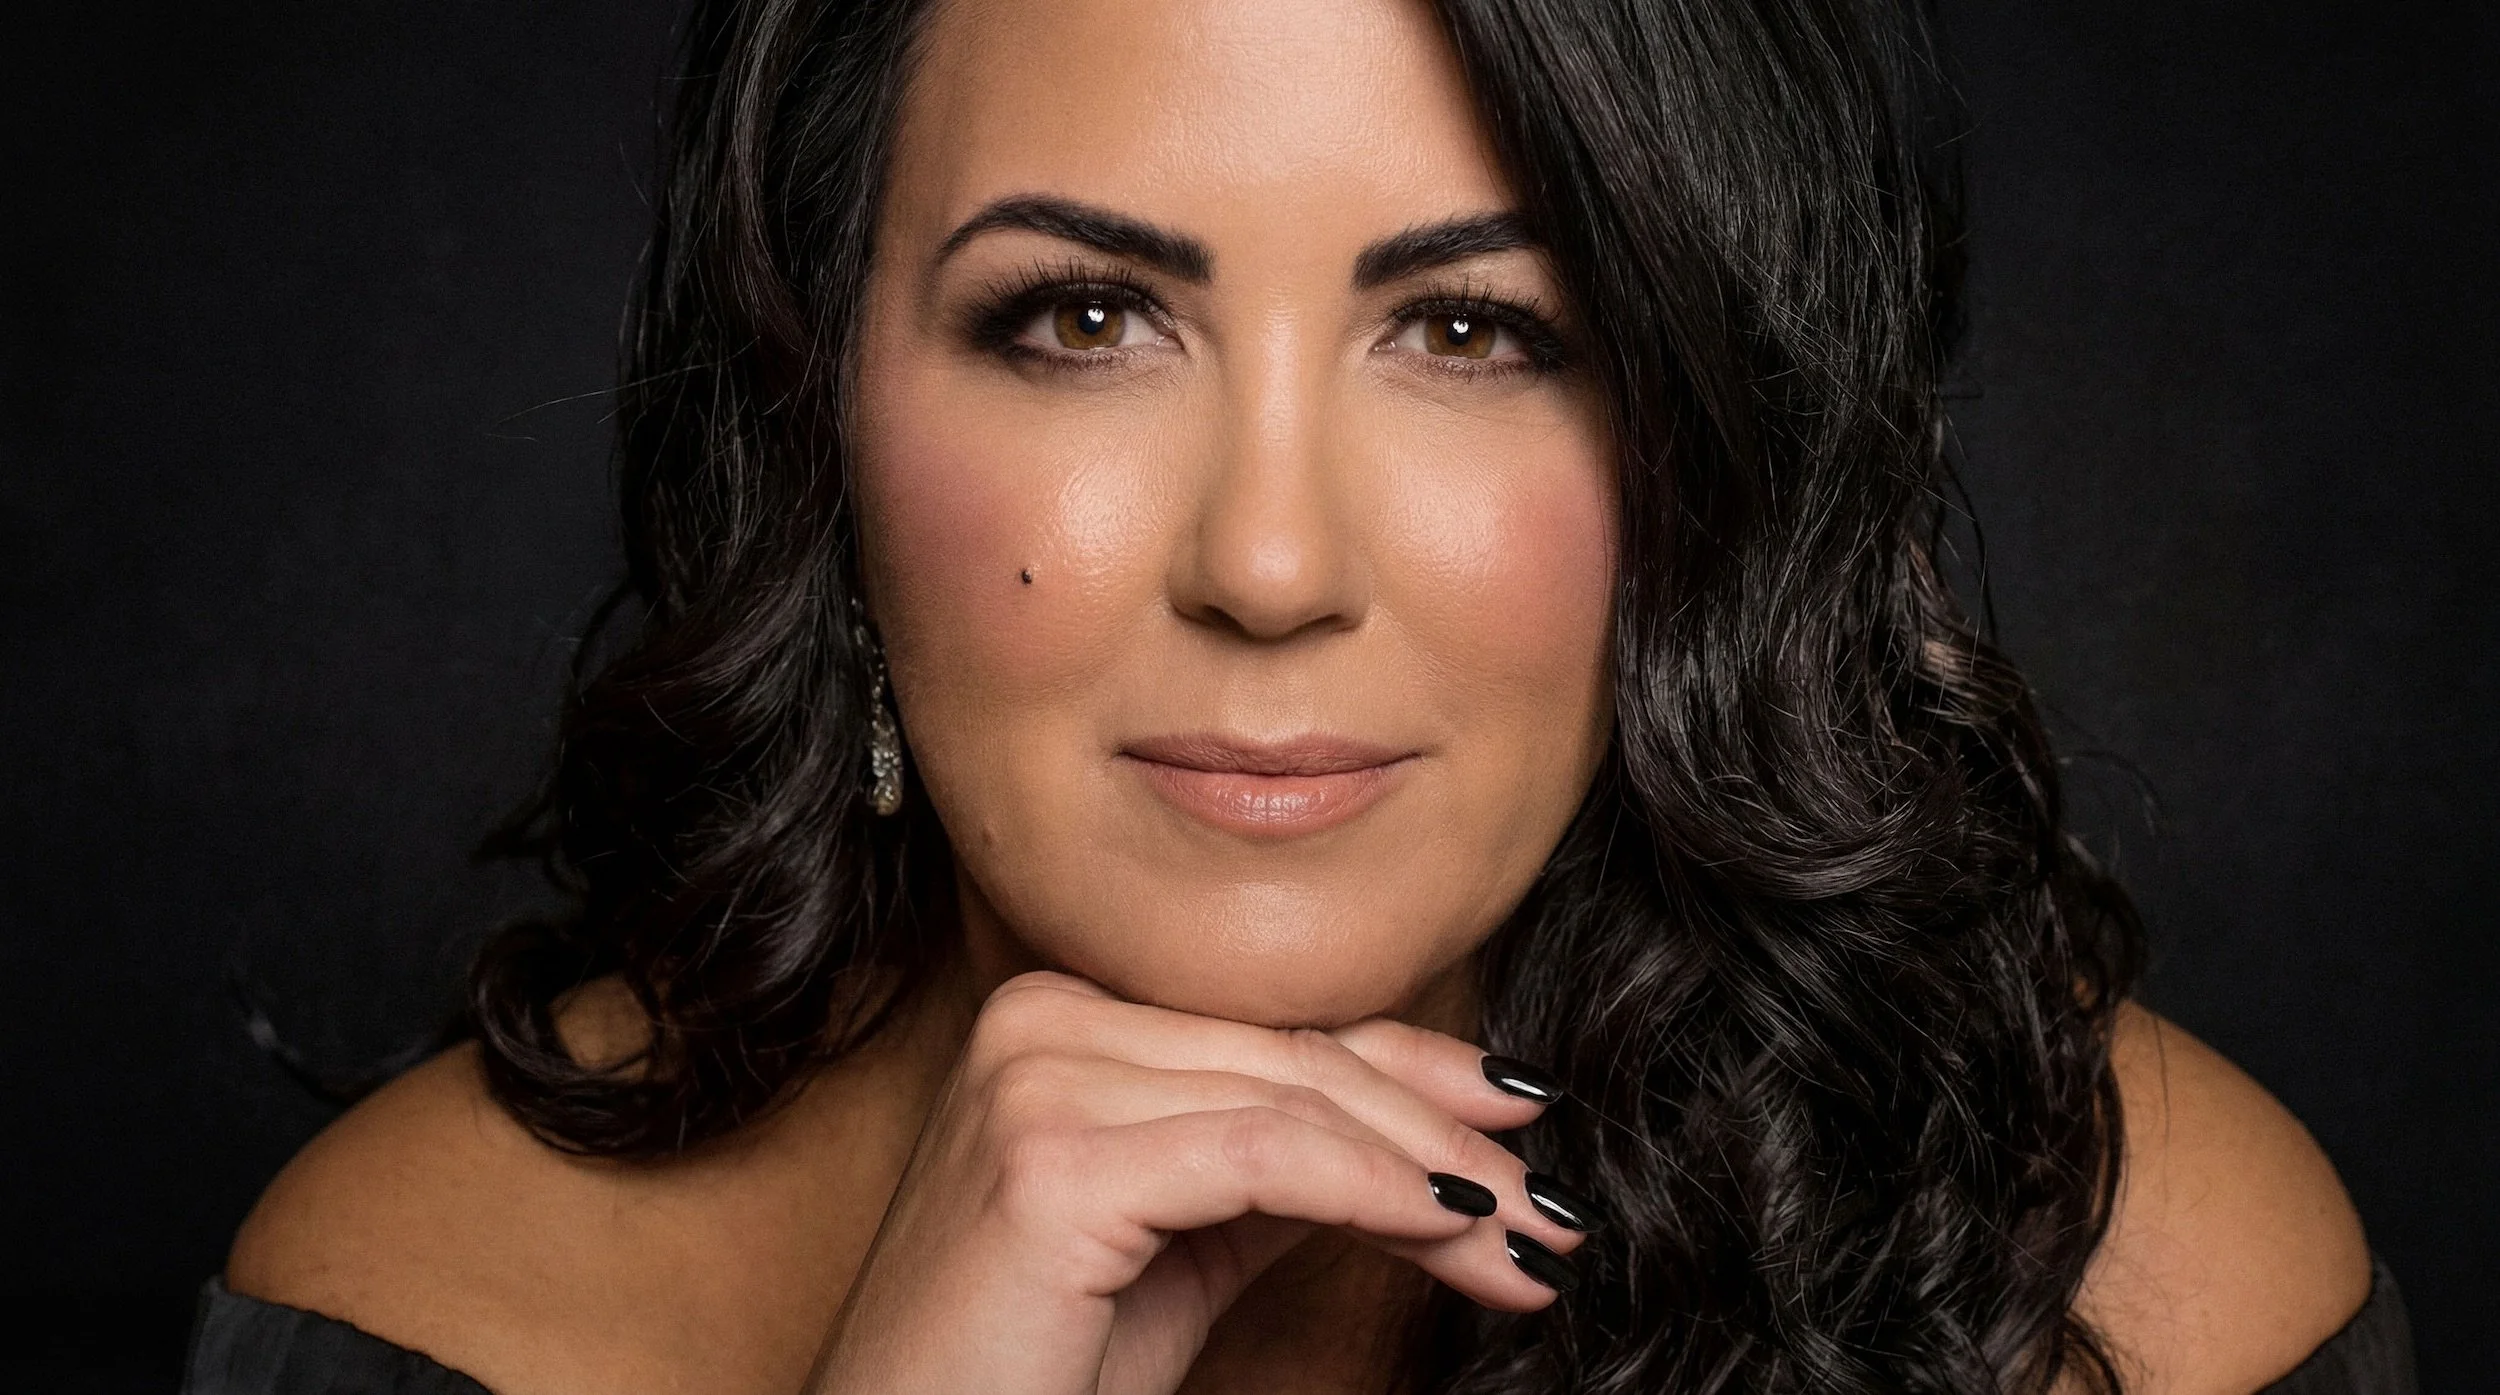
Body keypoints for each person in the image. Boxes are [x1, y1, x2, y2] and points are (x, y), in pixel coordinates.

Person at [187, 0, 2414, 1391]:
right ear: (817, 419)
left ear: (1712, 454)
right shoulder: (426, 1320)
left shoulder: (2156, 1299)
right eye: (1078, 318)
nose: (1265, 564)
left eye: (1472, 332)